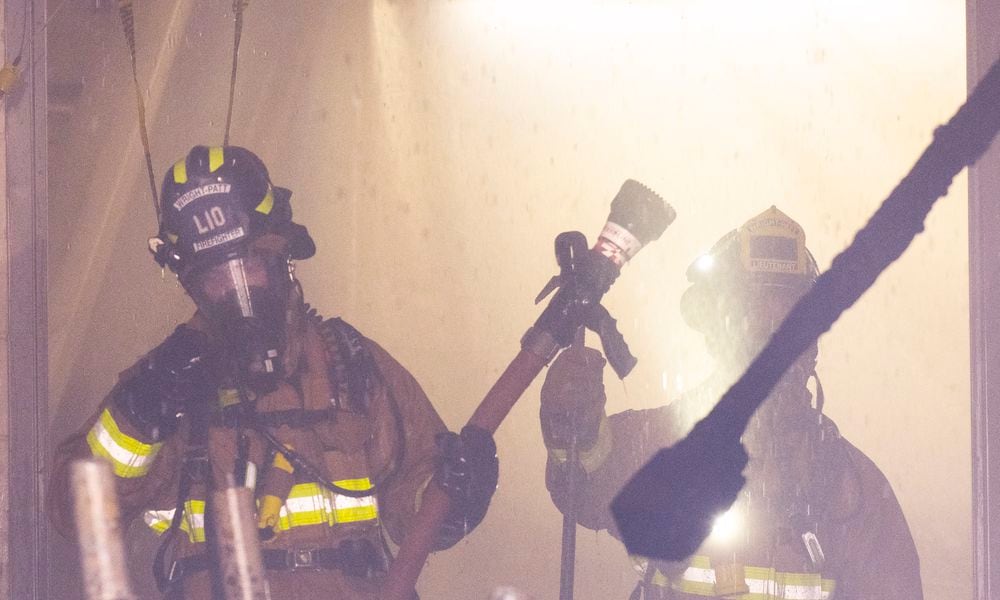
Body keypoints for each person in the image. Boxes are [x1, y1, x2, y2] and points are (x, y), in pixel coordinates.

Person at [46, 145, 499, 599]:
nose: (236, 292)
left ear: (283, 255)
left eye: (248, 266)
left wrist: (458, 493)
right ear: (193, 285)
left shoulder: (353, 365)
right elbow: (79, 518)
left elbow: (416, 510)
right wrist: (138, 416)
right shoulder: (170, 385)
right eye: (217, 278)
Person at [540, 206, 923, 599]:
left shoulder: (851, 493)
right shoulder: (662, 444)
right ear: (719, 329)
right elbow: (582, 486)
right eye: (756, 315)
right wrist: (573, 427)